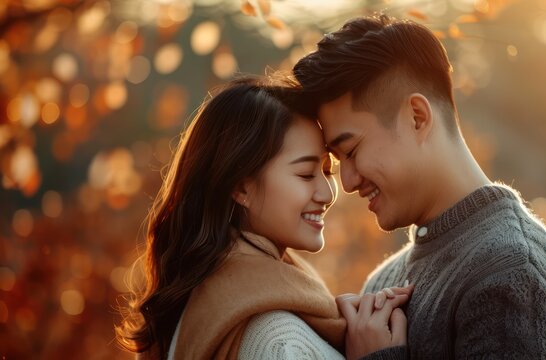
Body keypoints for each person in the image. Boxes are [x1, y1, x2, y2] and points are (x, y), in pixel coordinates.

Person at [292, 14, 546, 359]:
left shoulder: (509, 271)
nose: (348, 182)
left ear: (417, 117)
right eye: (339, 161)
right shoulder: (383, 285)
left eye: (351, 151)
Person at [115, 77, 412, 359]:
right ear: (241, 187)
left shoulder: (211, 298)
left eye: (326, 171)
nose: (327, 192)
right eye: (306, 174)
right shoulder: (278, 341)